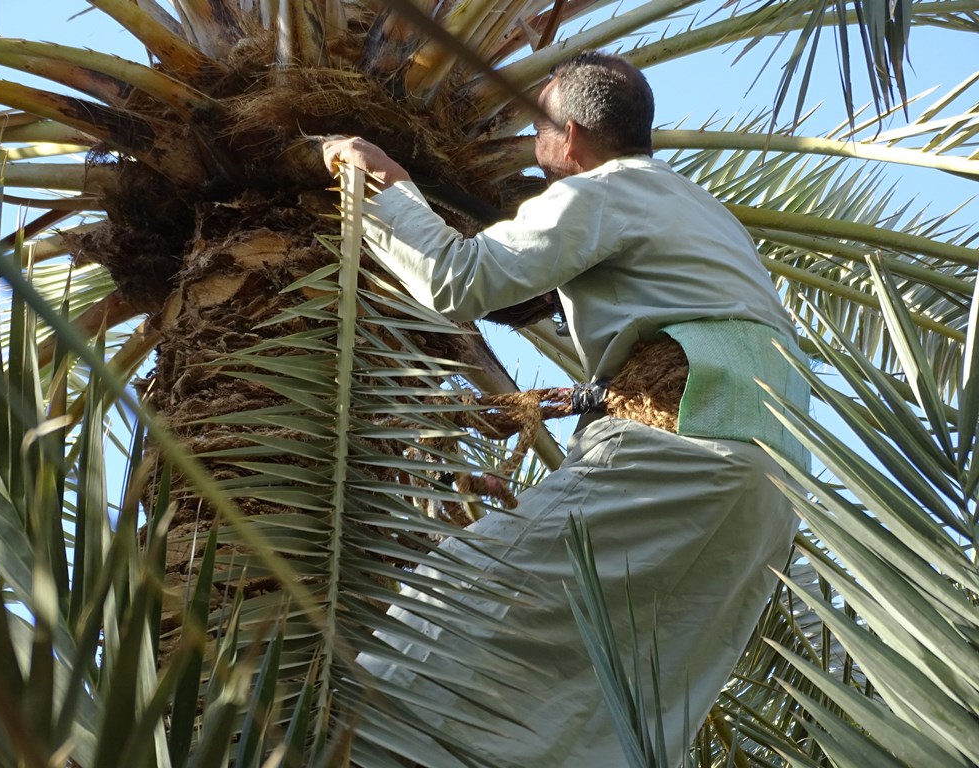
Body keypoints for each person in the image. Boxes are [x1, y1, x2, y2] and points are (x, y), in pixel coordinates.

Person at [323, 51, 809, 768]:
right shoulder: (706, 216)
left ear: (572, 135)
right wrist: (572, 397)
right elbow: (688, 330)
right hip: (766, 492)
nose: (533, 149)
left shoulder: (604, 192)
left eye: (537, 132)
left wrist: (382, 184)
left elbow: (462, 279)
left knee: (454, 603)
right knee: (623, 699)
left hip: (680, 450)